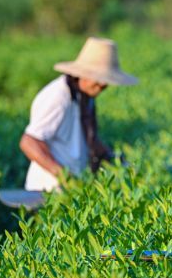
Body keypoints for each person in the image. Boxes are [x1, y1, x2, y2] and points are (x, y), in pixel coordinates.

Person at [20, 37, 138, 192]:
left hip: (74, 186)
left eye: (106, 80)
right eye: (98, 78)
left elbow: (87, 140)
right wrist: (65, 178)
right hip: (48, 190)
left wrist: (115, 159)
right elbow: (29, 142)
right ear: (82, 73)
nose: (102, 85)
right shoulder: (58, 96)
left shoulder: (86, 97)